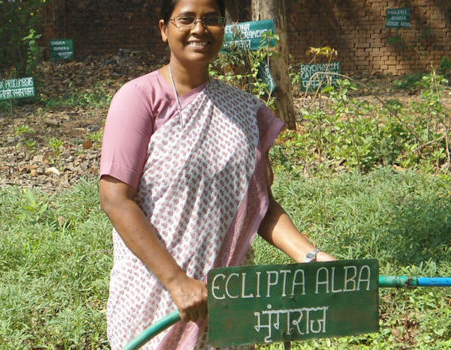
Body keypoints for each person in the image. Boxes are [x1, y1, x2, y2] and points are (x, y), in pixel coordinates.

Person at [98, 0, 336, 348]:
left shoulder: (245, 109)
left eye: (211, 20)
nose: (199, 29)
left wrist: (309, 255)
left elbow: (258, 204)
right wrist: (177, 281)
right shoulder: (139, 99)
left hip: (226, 301)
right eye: (187, 19)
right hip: (155, 299)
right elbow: (115, 199)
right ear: (165, 29)